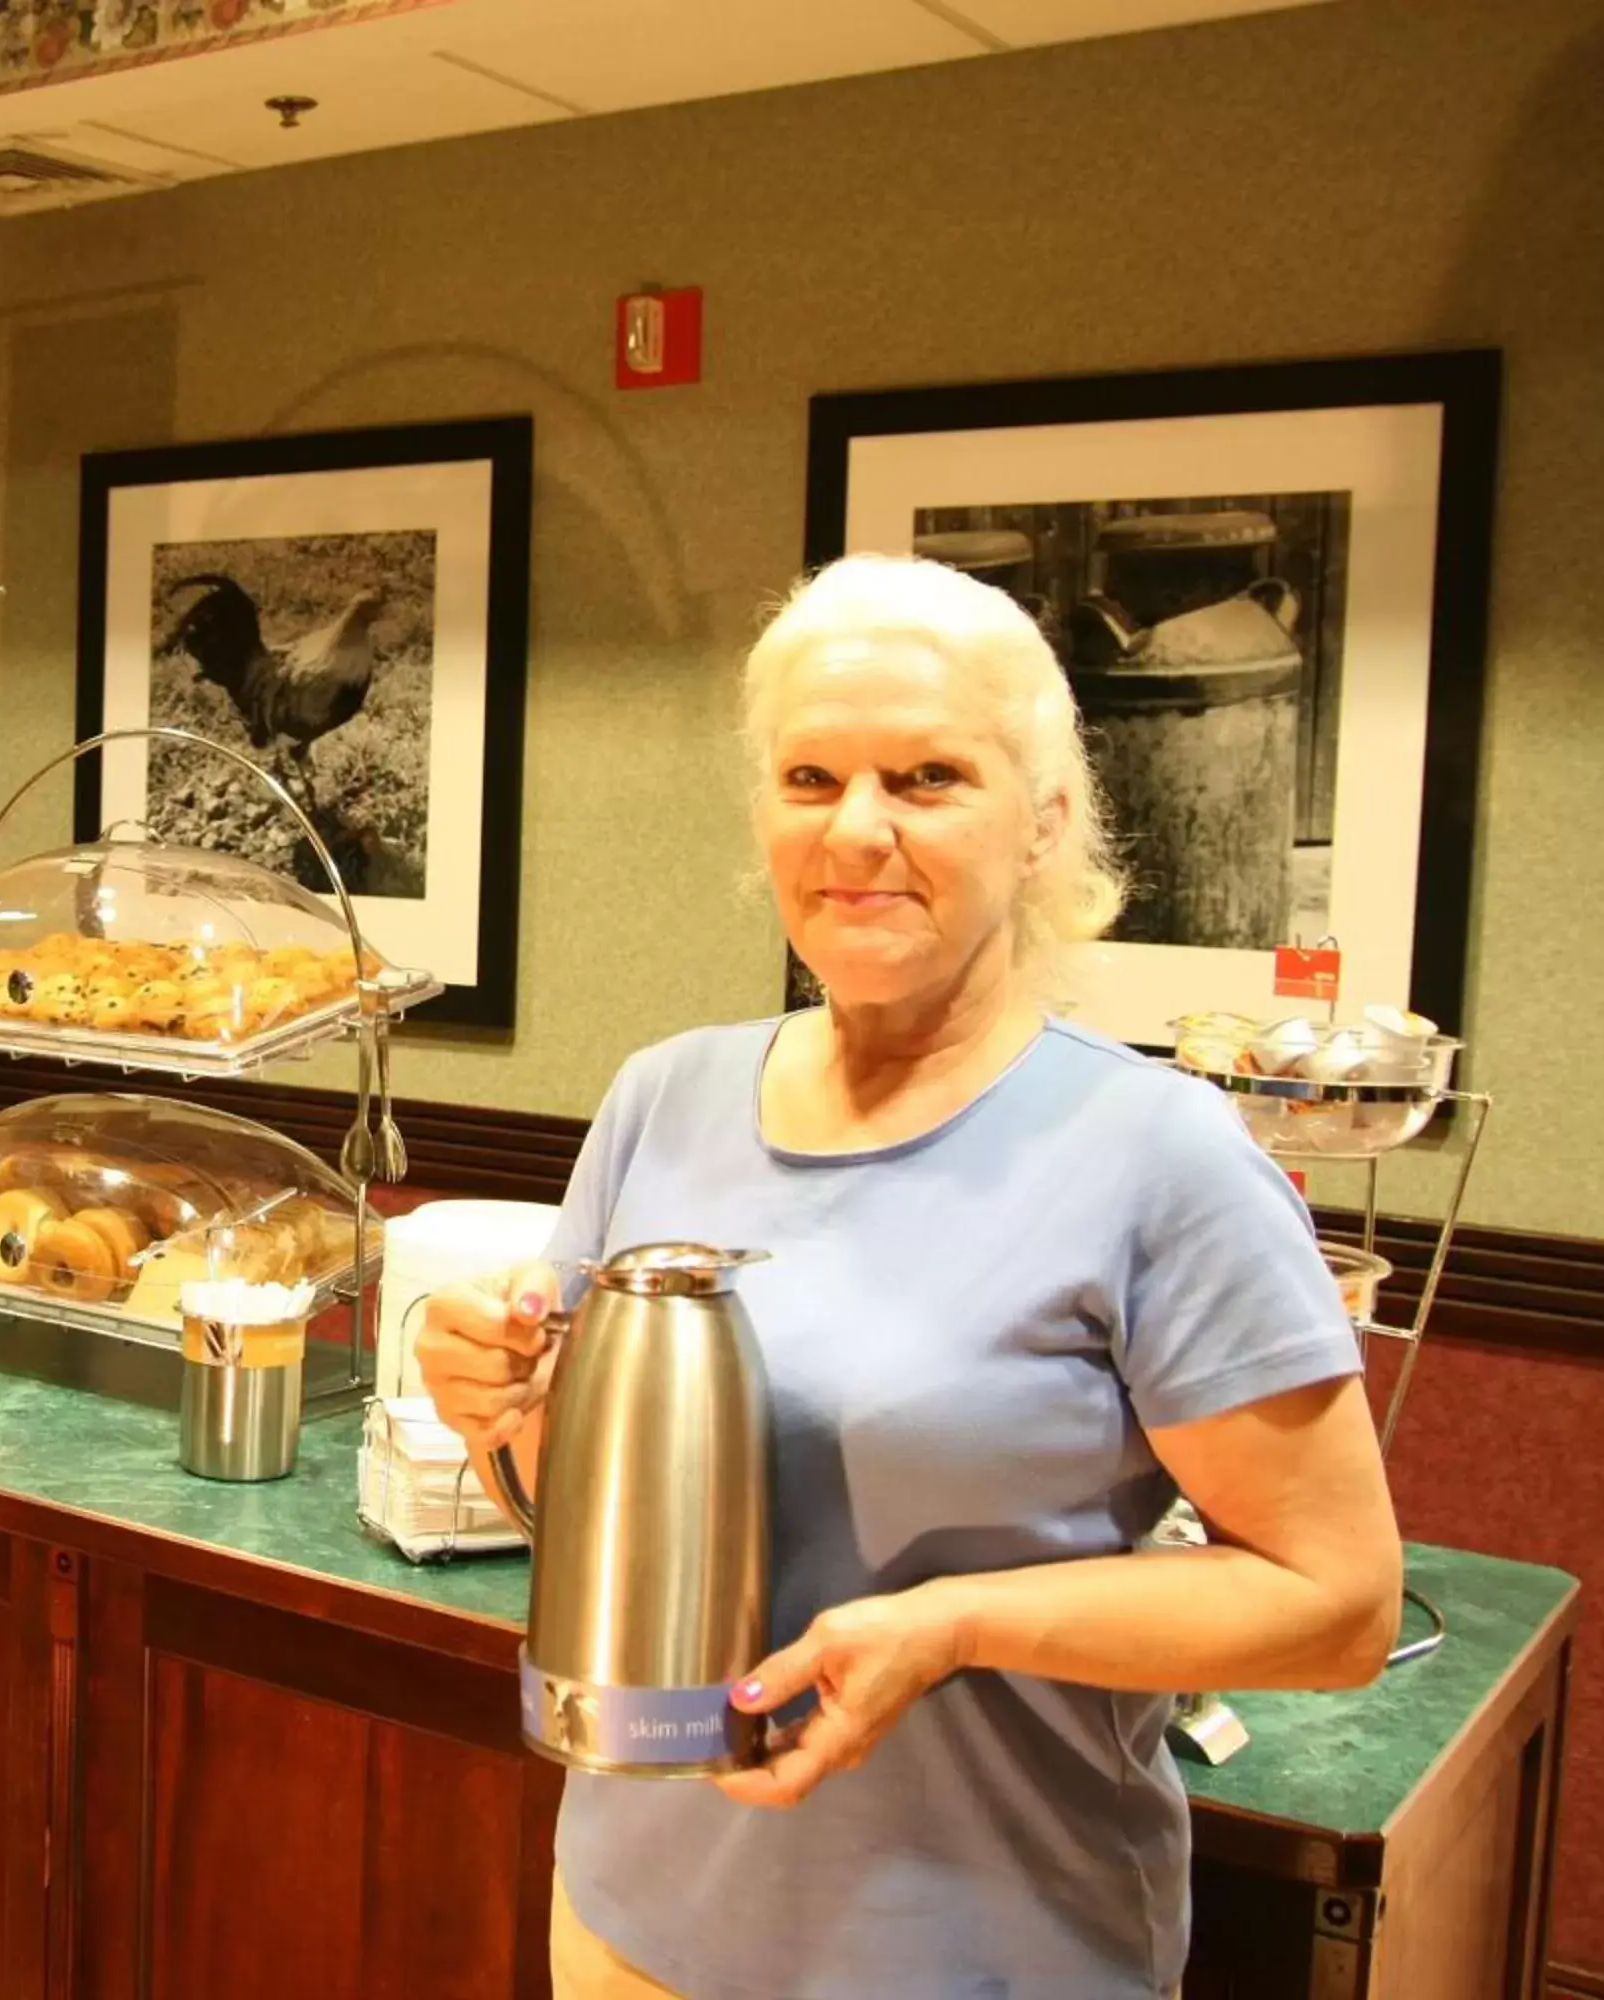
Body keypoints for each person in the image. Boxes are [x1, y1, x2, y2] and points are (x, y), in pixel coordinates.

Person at [417, 555, 1402, 2000]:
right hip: (630, 1925)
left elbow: (1338, 1608)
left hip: (979, 1953)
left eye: (928, 777)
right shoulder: (664, 1098)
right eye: (810, 778)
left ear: (1045, 824)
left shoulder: (1158, 1157)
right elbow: (571, 1504)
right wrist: (496, 1404)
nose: (857, 831)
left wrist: (956, 1626)